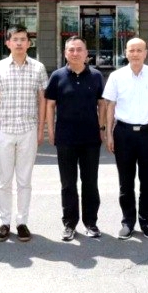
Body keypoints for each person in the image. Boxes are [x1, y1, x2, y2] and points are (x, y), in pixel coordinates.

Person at [0, 25, 48, 243]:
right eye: (15, 39)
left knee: (24, 180)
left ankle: (22, 222)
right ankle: (4, 222)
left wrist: (41, 129)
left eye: (23, 39)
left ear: (29, 43)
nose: (19, 43)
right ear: (8, 43)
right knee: (4, 180)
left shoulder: (38, 68)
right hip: (4, 129)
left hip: (28, 130)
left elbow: (42, 100)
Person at [103, 37, 148, 240]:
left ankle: (146, 221)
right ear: (126, 53)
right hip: (123, 133)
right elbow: (110, 106)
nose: (135, 54)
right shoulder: (116, 76)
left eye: (139, 50)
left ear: (146, 53)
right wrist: (109, 133)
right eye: (131, 50)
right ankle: (128, 222)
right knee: (126, 182)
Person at [45, 36, 106, 241]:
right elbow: (50, 105)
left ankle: (91, 223)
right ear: (65, 53)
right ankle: (69, 224)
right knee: (68, 184)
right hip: (65, 138)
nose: (75, 53)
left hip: (90, 138)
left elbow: (102, 104)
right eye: (71, 50)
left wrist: (102, 128)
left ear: (87, 53)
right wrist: (51, 130)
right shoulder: (57, 76)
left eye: (79, 49)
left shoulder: (96, 76)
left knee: (90, 183)